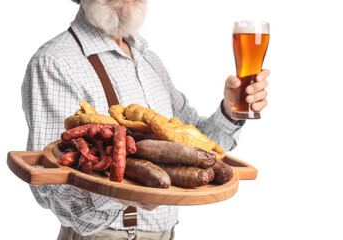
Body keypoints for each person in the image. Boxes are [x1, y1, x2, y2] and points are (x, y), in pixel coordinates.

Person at [21, 0, 270, 239]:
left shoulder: (149, 60)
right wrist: (129, 192)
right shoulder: (55, 62)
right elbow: (50, 188)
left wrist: (230, 109)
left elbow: (198, 146)